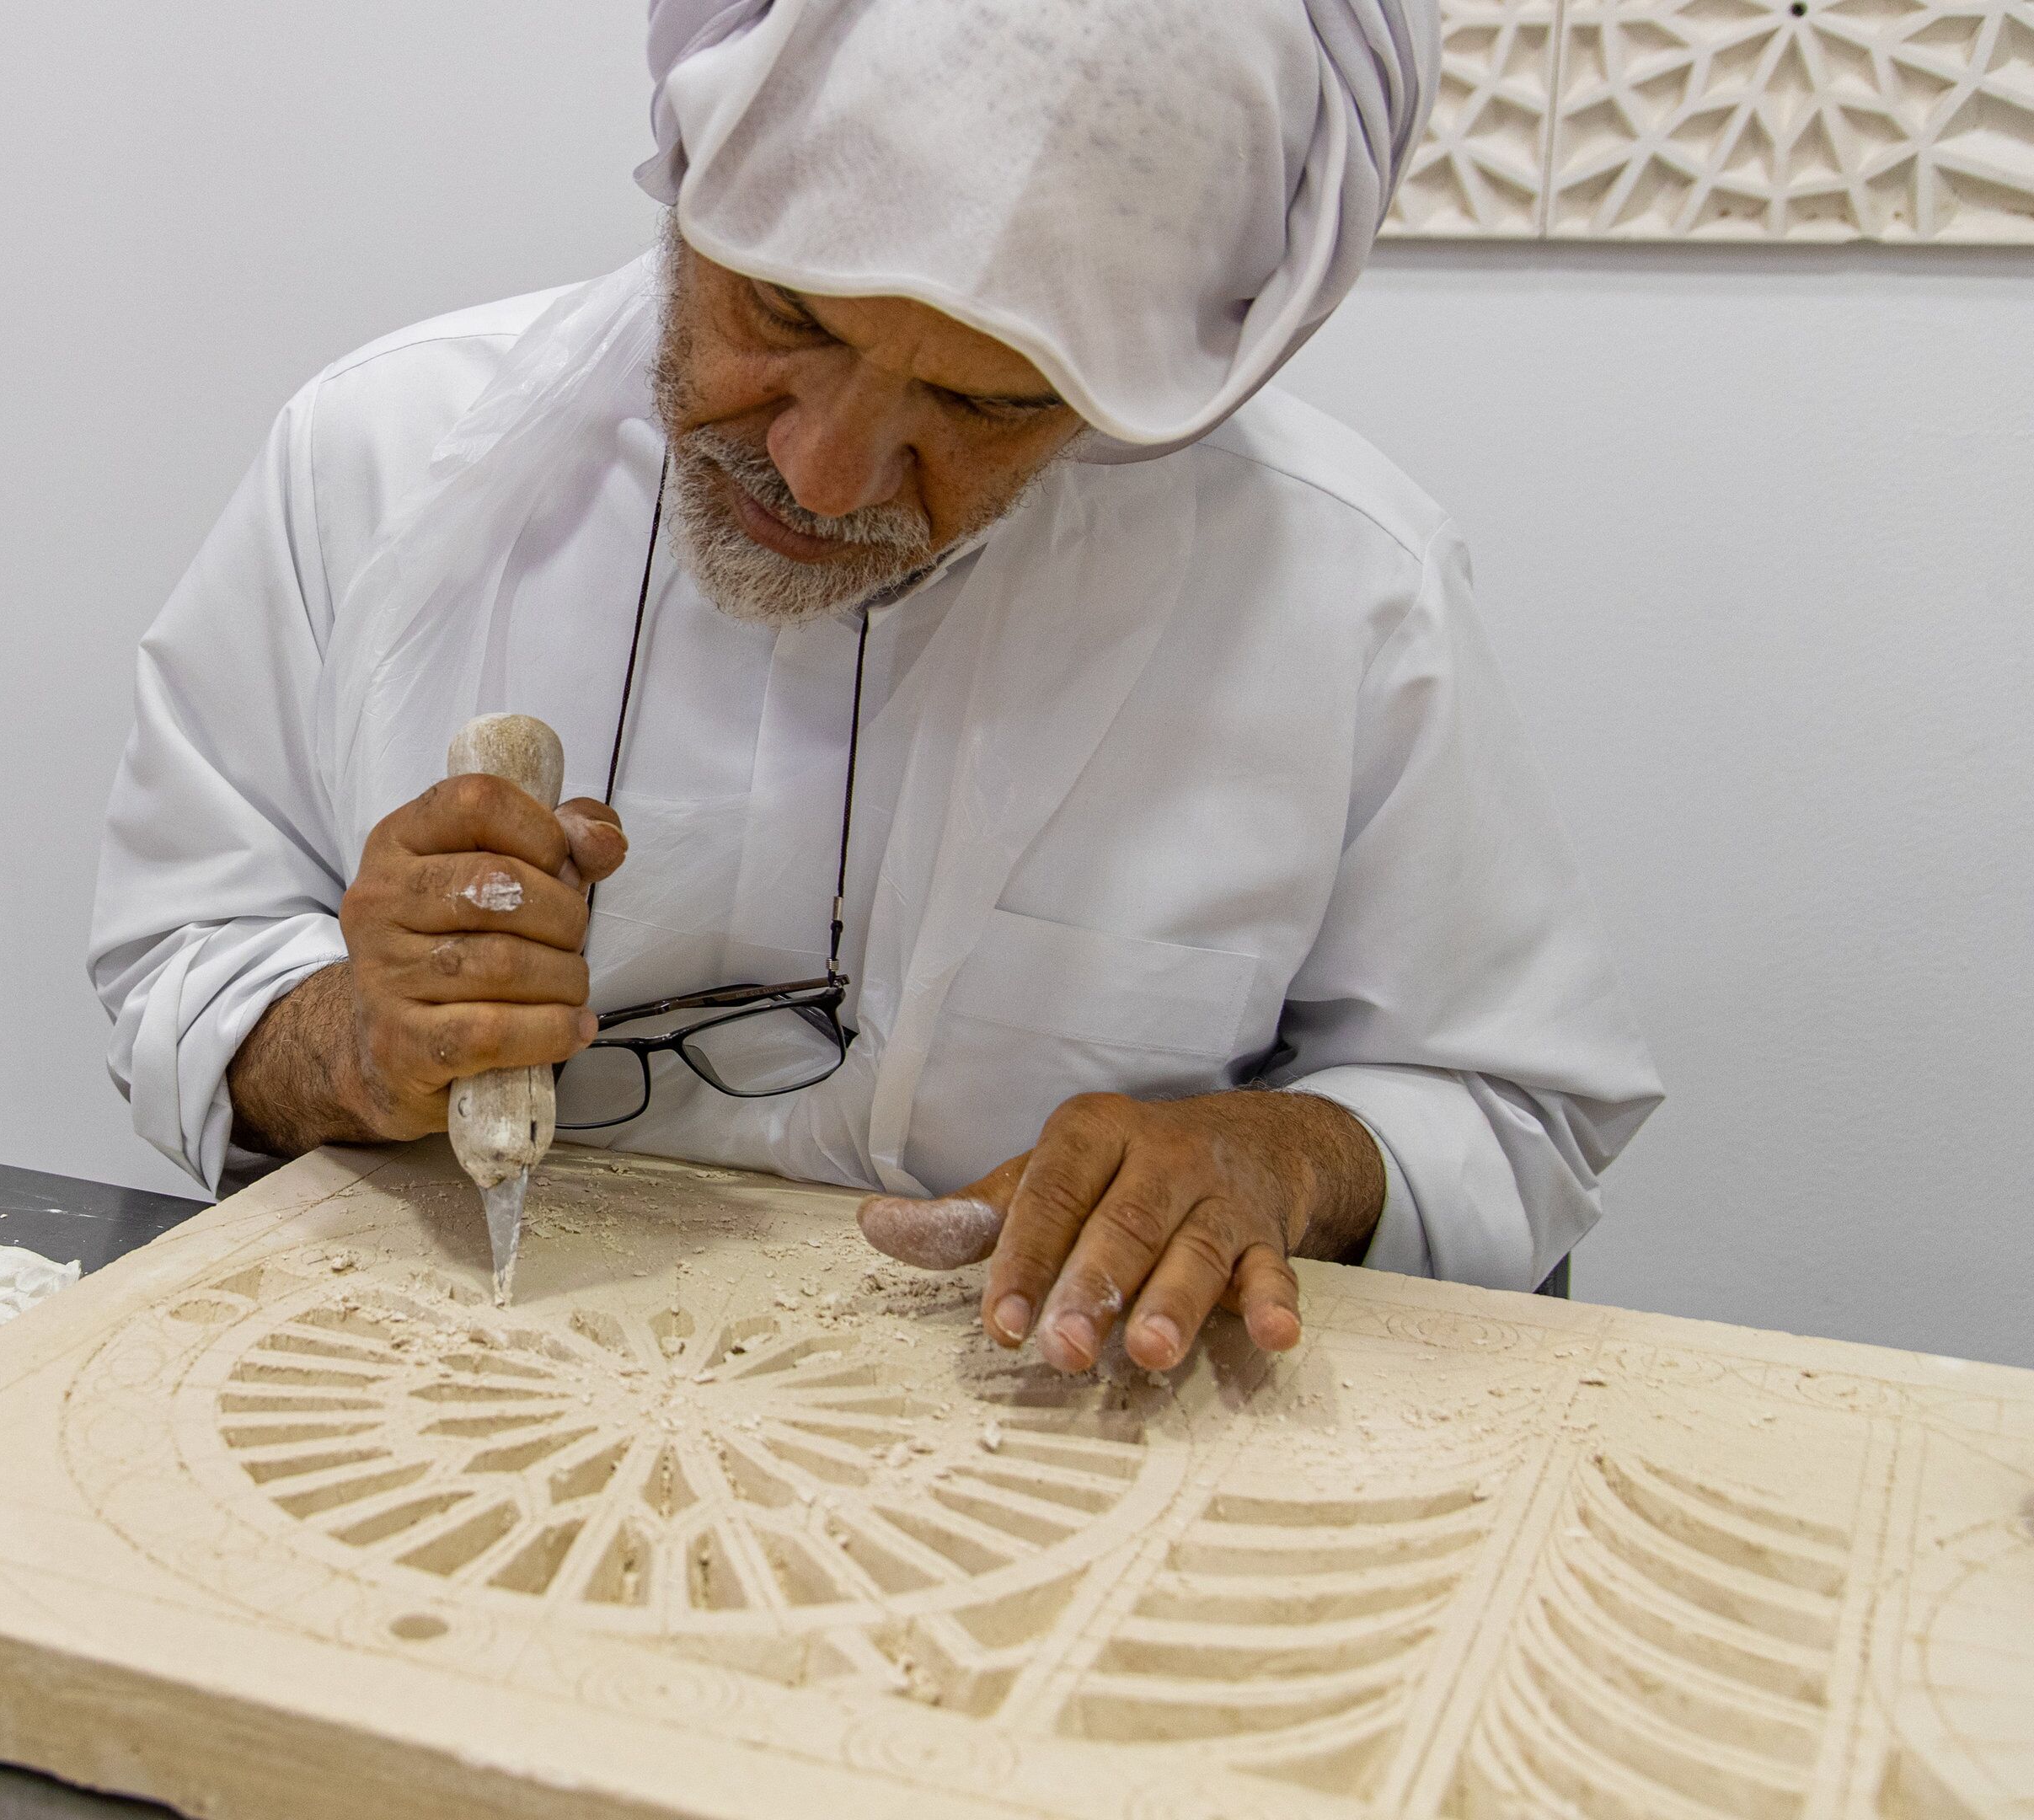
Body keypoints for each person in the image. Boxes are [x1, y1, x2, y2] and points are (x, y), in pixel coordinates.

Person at [89, 0, 1661, 1378]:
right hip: (457, 1395)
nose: (822, 468)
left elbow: (1519, 1111)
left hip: (1045, 1466)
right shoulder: (377, 465)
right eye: (786, 316)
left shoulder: (1339, 587)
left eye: (987, 403)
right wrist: (358, 1041)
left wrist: (1278, 1157)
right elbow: (183, 961)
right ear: (696, 173)